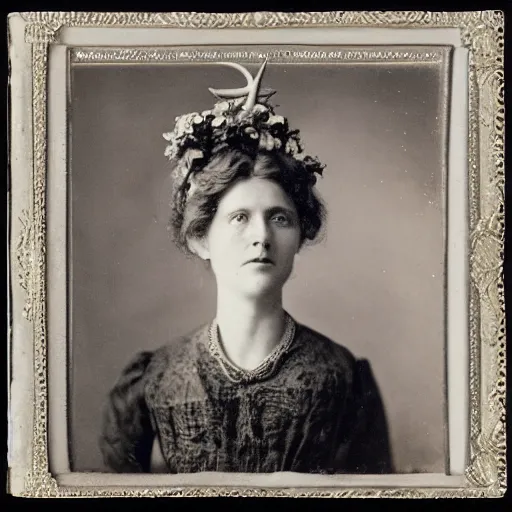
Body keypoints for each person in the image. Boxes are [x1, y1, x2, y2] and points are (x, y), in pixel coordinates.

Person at [99, 60, 393, 474]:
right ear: (201, 238)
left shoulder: (342, 377)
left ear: (300, 233)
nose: (262, 237)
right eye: (239, 218)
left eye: (280, 218)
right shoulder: (153, 377)